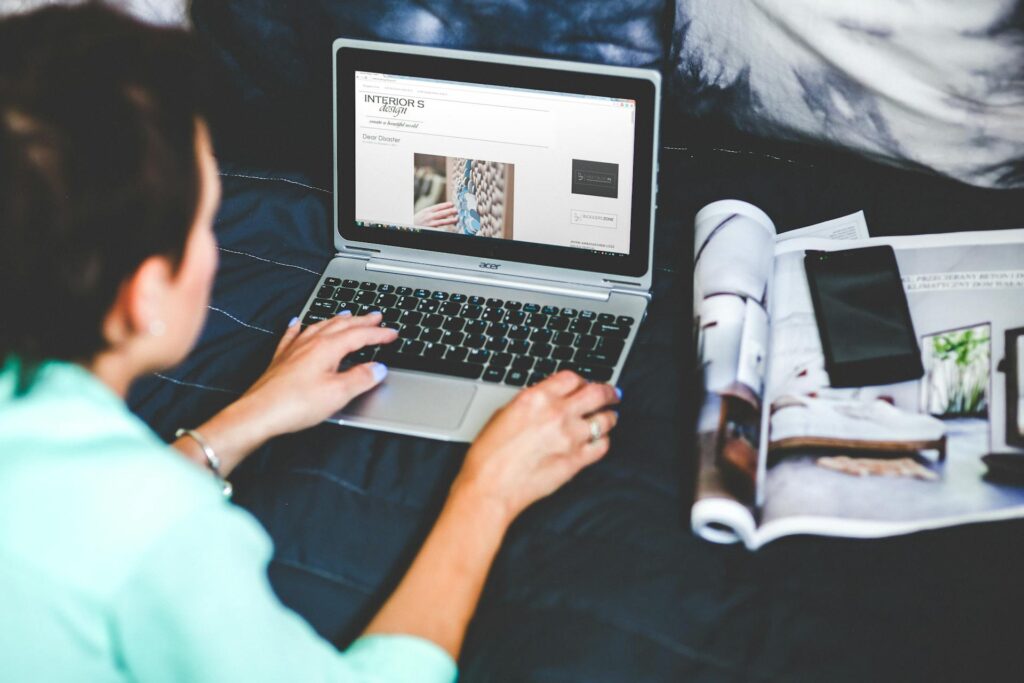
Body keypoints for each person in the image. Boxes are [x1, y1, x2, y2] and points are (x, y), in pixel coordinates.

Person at [0, 5, 620, 681]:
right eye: (207, 222)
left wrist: (246, 418)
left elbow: (74, 516)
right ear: (145, 295)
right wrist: (488, 489)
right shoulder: (168, 536)